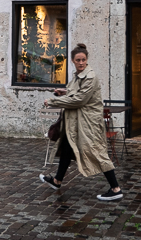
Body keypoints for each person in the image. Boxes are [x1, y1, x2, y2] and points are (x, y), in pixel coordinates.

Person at [39, 43, 123, 201]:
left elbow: (79, 100)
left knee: (97, 152)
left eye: (83, 59)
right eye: (78, 60)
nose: (81, 62)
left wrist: (52, 101)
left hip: (88, 124)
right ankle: (57, 181)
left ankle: (115, 188)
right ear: (72, 60)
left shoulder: (90, 76)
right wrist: (64, 92)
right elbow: (76, 92)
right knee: (66, 147)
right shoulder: (78, 75)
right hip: (77, 122)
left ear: (87, 60)